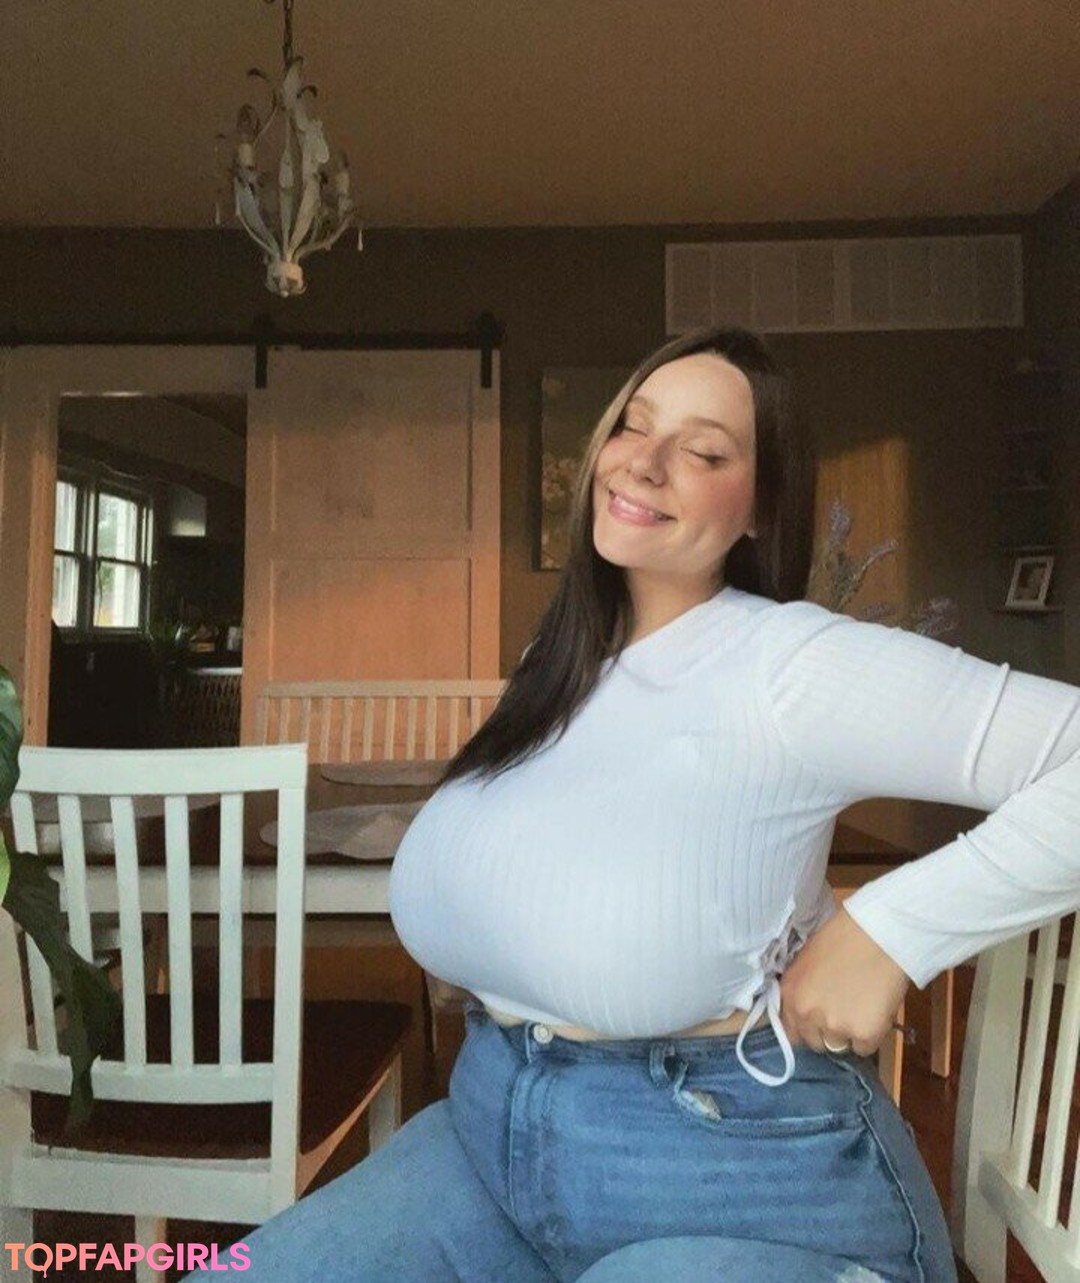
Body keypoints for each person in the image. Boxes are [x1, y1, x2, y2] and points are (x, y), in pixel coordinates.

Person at [186, 328, 1080, 1282]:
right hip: (491, 1142)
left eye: (704, 451)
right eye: (633, 425)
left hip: (740, 1177)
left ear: (761, 506)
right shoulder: (560, 660)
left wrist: (891, 930)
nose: (644, 463)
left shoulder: (791, 664)